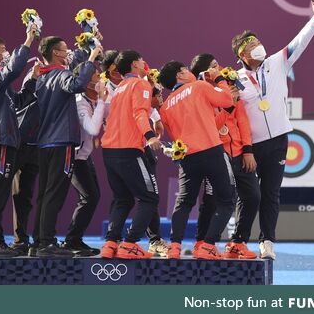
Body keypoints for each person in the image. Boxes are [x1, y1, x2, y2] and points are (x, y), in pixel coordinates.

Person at [230, 0, 314, 259]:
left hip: (278, 140)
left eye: (257, 42)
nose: (258, 47)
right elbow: (229, 110)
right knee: (250, 195)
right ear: (242, 55)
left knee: (271, 193)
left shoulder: (277, 62)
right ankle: (238, 241)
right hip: (250, 145)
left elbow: (299, 41)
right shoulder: (235, 79)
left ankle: (267, 242)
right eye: (251, 46)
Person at [158, 61, 236, 260]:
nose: (189, 72)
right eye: (185, 69)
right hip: (211, 150)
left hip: (186, 157)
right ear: (180, 75)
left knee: (184, 203)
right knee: (227, 201)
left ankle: (174, 246)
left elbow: (180, 135)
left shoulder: (165, 107)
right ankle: (208, 245)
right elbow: (227, 100)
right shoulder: (200, 87)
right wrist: (219, 78)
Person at [34, 36, 102, 257]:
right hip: (61, 141)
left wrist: (88, 43)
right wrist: (92, 57)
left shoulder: (43, 77)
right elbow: (77, 84)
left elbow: (75, 70)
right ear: (55, 53)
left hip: (45, 142)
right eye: (65, 50)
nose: (68, 53)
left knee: (45, 194)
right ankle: (47, 243)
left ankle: (39, 242)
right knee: (54, 194)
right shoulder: (61, 75)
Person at [0, 24, 38, 257]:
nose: (6, 53)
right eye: (3, 50)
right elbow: (12, 69)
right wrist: (28, 40)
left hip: (6, 142)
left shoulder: (0, 84)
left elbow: (20, 101)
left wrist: (31, 78)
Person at [190, 53, 260, 259]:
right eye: (212, 66)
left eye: (217, 64)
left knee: (253, 196)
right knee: (212, 201)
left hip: (239, 153)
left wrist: (248, 149)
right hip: (216, 155)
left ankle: (238, 242)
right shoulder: (199, 94)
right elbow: (212, 127)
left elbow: (243, 121)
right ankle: (202, 242)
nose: (218, 68)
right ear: (203, 73)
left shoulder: (230, 87)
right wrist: (229, 104)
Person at [100, 51, 169, 257]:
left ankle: (110, 244)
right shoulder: (140, 84)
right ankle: (130, 243)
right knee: (150, 198)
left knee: (123, 199)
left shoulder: (120, 87)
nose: (144, 62)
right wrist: (150, 136)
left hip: (109, 150)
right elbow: (140, 112)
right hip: (129, 150)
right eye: (140, 59)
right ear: (134, 65)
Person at [60, 70, 107, 256]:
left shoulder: (93, 100)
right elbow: (93, 129)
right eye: (96, 77)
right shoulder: (80, 104)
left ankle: (74, 240)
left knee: (92, 197)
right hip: (74, 156)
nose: (101, 79)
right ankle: (71, 241)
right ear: (87, 83)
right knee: (90, 197)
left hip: (85, 156)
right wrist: (103, 100)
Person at [10, 65, 41, 256]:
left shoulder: (58, 80)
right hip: (18, 142)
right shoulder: (32, 81)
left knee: (25, 195)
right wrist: (34, 77)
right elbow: (21, 101)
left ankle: (23, 240)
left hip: (36, 145)